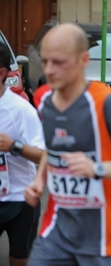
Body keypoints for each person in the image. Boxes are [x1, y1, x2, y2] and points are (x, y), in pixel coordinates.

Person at [23, 23, 111, 266]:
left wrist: (96, 169)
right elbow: (52, 149)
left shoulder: (105, 102)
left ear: (83, 60)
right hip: (57, 232)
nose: (50, 70)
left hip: (104, 238)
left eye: (59, 62)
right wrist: (38, 181)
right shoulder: (43, 97)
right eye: (45, 61)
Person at [0, 42, 45, 266]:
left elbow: (45, 156)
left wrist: (13, 146)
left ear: (1, 73)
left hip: (21, 200)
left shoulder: (21, 109)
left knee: (19, 260)